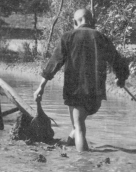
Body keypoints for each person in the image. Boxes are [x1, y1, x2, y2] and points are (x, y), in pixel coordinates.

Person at [34, 8, 130, 152]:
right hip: (95, 94)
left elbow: (54, 63)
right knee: (77, 124)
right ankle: (69, 144)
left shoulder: (68, 37)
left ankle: (83, 165)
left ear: (75, 22)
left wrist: (41, 87)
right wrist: (121, 78)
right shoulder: (101, 37)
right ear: (92, 21)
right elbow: (117, 61)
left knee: (79, 128)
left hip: (76, 91)